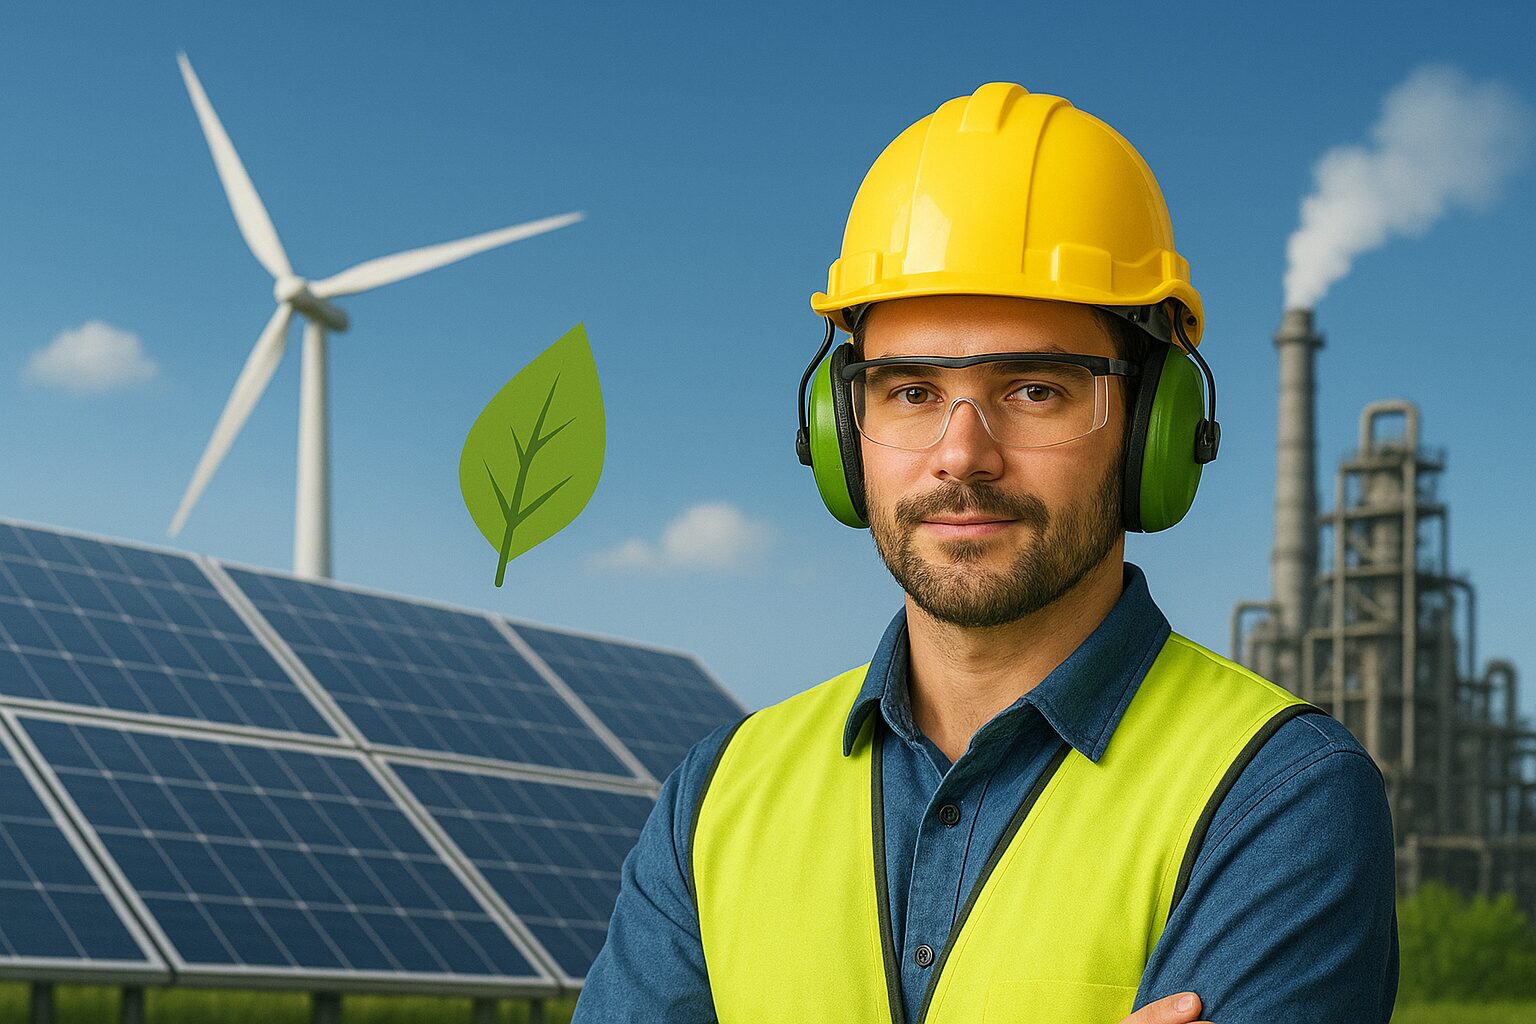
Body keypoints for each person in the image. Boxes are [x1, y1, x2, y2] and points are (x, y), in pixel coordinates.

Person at [573, 83, 1399, 1024]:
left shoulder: (1278, 795)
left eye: (1037, 388)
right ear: (841, 434)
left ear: (1154, 432)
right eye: (911, 393)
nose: (961, 454)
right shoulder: (716, 799)